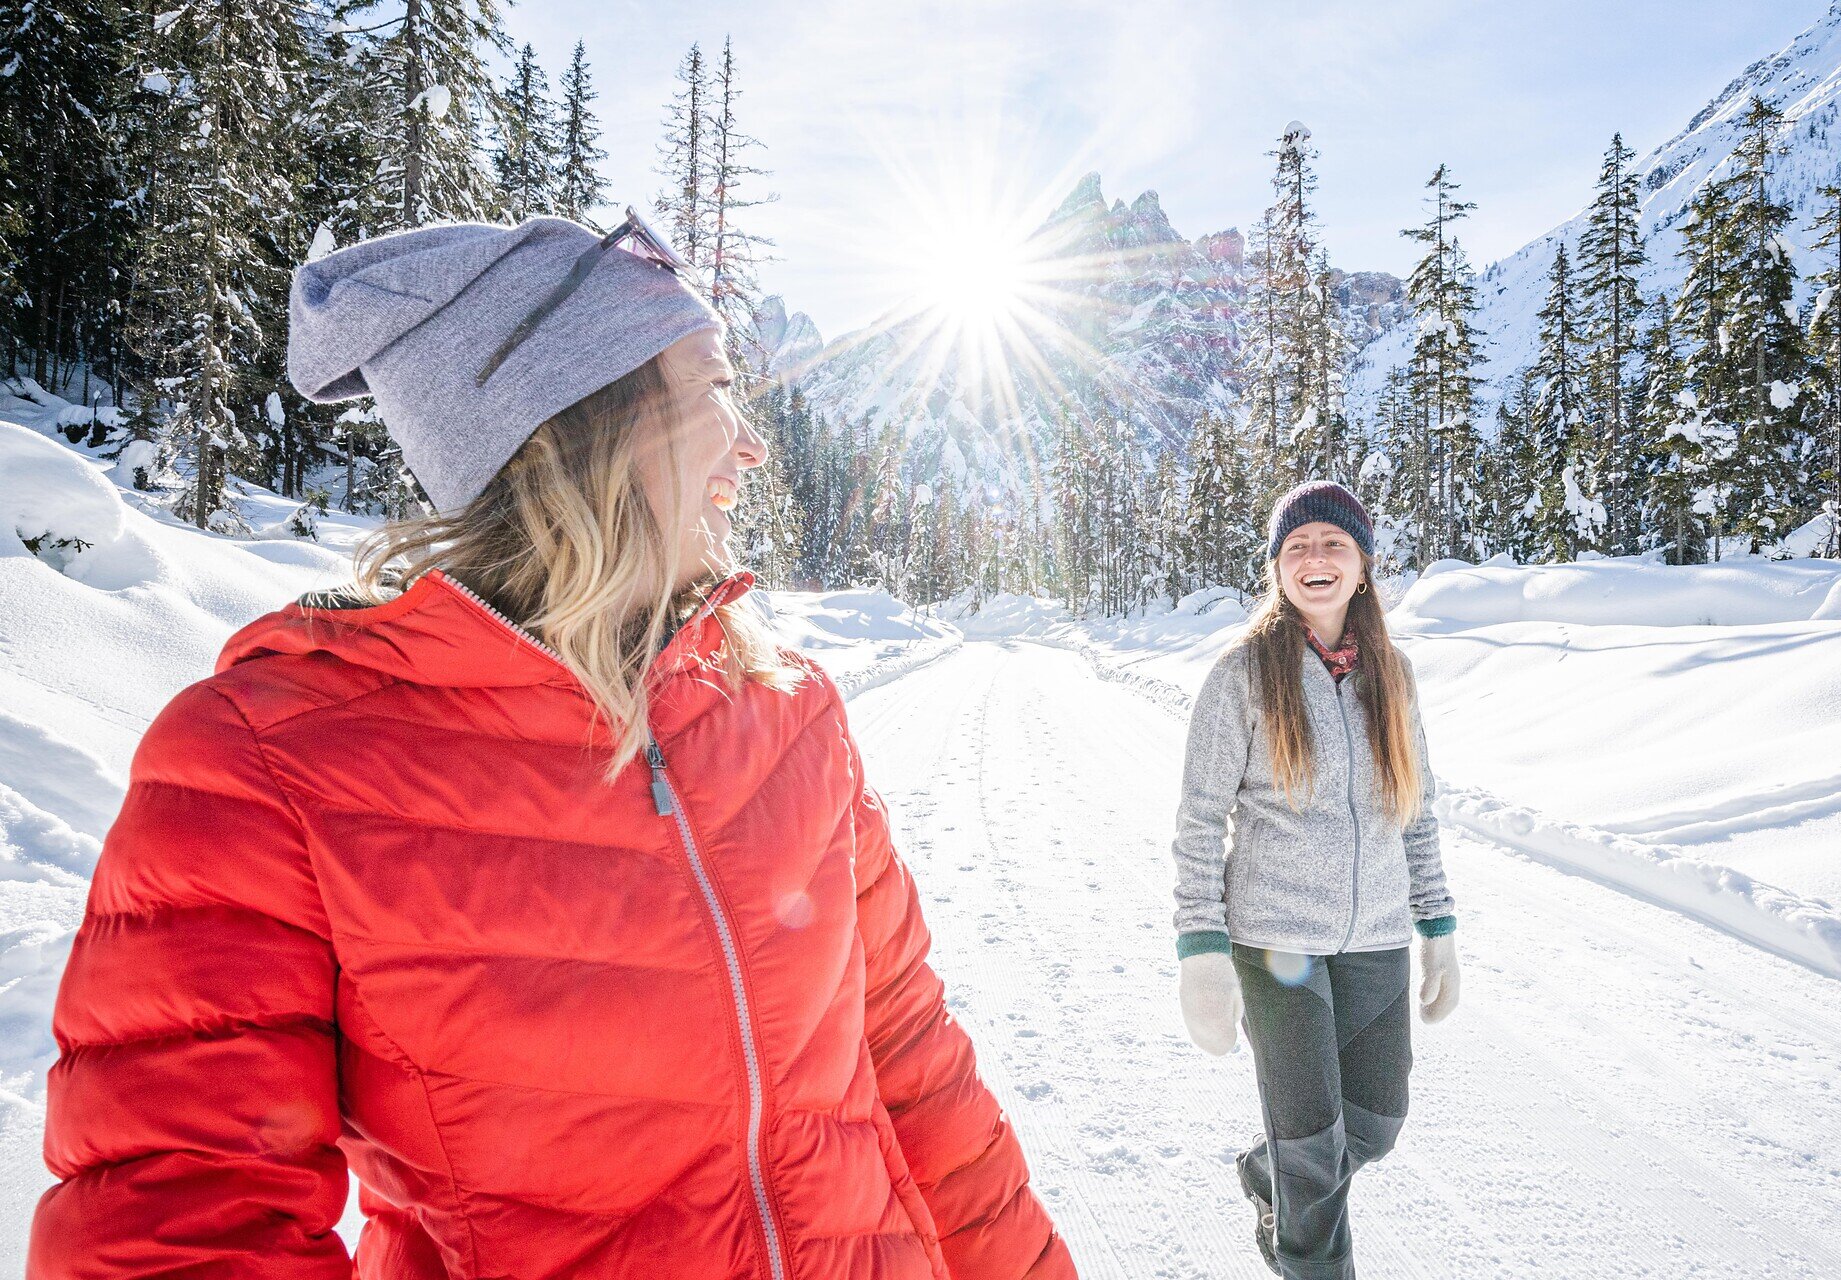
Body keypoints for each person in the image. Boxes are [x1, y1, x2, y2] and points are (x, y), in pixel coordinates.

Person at [29, 211, 1074, 1280]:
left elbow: (917, 1075)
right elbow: (182, 1222)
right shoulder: (268, 760)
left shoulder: (789, 711)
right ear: (587, 424)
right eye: (712, 386)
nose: (750, 444)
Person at [1171, 480, 1460, 1280]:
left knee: (1374, 1124)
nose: (1315, 557)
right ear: (1276, 568)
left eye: (1334, 542)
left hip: (1376, 938)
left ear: (1363, 564)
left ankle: (1266, 1172)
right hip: (1275, 945)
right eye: (1296, 546)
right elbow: (1199, 821)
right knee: (1312, 1154)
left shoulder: (1393, 675)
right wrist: (1201, 952)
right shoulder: (1242, 674)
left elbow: (1417, 810)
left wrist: (1438, 928)